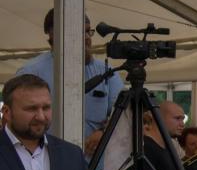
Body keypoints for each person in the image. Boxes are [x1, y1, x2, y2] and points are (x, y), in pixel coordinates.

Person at [16, 9, 123, 139]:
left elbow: (123, 114)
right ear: (54, 34)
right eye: (79, 32)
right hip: (48, 151)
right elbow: (17, 120)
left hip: (94, 152)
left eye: (88, 31)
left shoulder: (106, 71)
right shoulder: (31, 72)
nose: (87, 38)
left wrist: (103, 132)